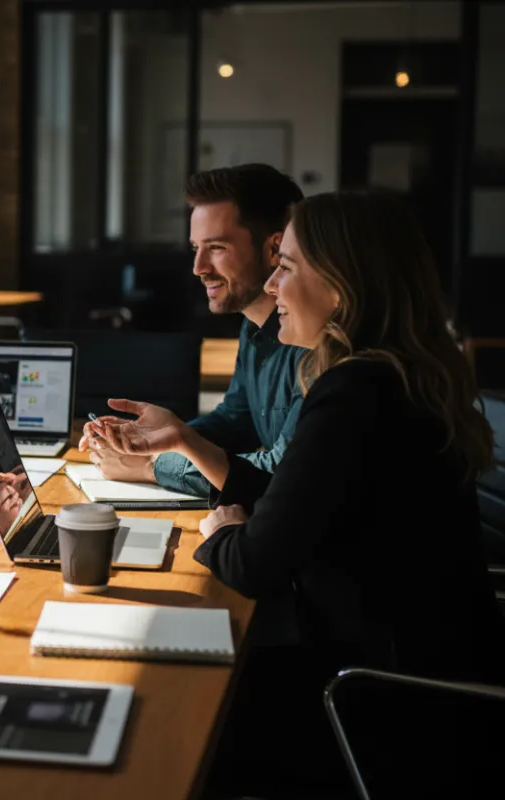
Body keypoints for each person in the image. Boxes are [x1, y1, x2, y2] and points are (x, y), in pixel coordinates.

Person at [92, 190, 505, 794]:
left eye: (285, 267)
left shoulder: (356, 393)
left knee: (155, 719)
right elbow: (294, 493)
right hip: (409, 665)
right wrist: (184, 443)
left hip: (375, 699)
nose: (275, 286)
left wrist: (224, 530)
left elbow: (255, 564)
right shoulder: (388, 375)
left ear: (340, 285)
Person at [80, 164, 306, 498]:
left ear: (274, 249)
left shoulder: (319, 344)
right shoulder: (252, 326)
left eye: (217, 248)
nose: (198, 268)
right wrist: (157, 439)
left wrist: (152, 466)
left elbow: (277, 477)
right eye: (195, 248)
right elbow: (234, 423)